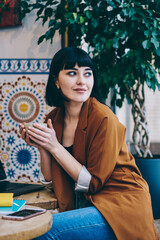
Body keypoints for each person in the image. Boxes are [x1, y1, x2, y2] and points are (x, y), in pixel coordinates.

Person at [19, 47, 158, 240]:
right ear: (56, 81)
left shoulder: (104, 118)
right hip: (90, 205)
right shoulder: (54, 118)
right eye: (72, 73)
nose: (81, 81)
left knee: (44, 231)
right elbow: (51, 179)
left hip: (120, 205)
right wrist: (42, 146)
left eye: (87, 73)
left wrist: (55, 146)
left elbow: (92, 183)